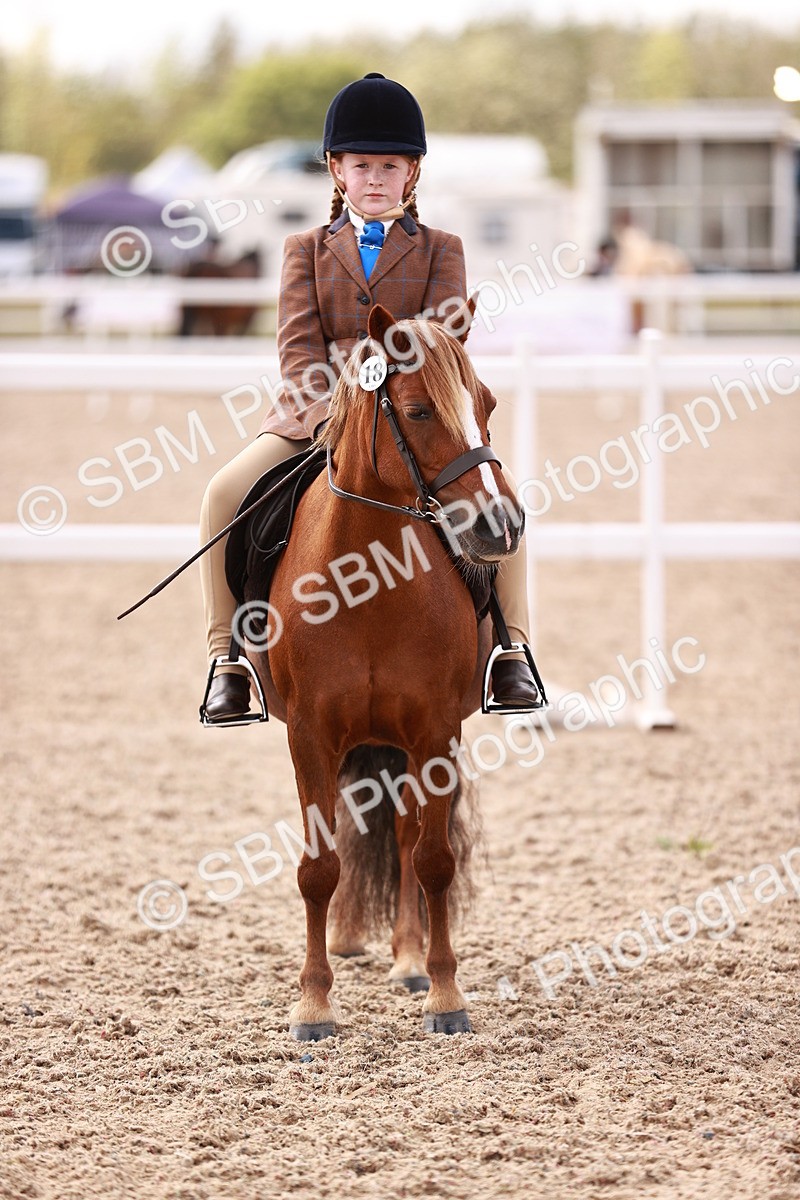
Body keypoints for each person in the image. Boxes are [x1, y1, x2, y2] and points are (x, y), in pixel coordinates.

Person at [199, 72, 540, 722]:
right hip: (314, 419)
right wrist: (340, 415)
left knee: (505, 499)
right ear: (337, 170)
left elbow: (443, 347)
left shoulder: (442, 249)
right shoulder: (304, 250)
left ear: (412, 173)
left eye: (390, 166)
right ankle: (229, 660)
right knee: (221, 493)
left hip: (418, 418)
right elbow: (298, 351)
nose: (376, 178)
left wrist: (394, 407)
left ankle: (511, 653)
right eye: (363, 166)